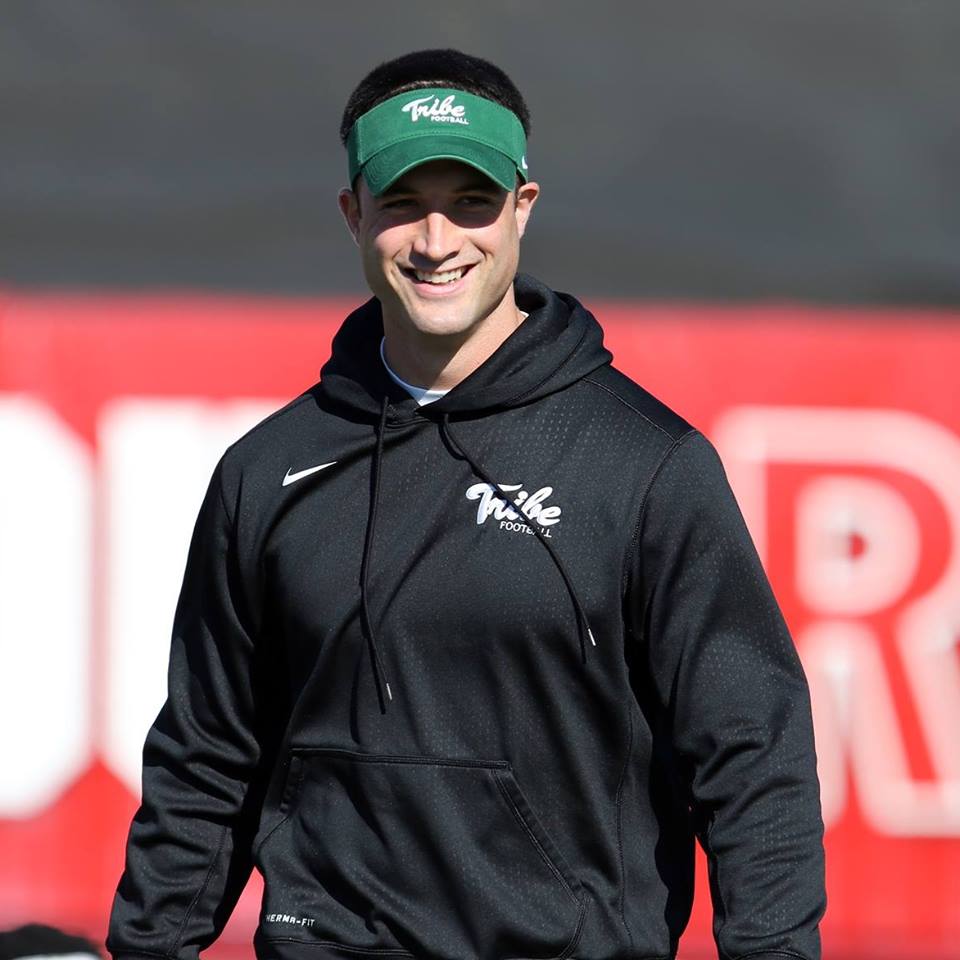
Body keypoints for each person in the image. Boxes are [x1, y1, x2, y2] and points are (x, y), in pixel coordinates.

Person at [107, 48, 826, 960]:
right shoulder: (267, 470)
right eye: (403, 203)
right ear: (353, 213)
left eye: (471, 203)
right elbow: (208, 755)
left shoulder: (646, 464)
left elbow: (753, 755)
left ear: (523, 207)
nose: (437, 240)